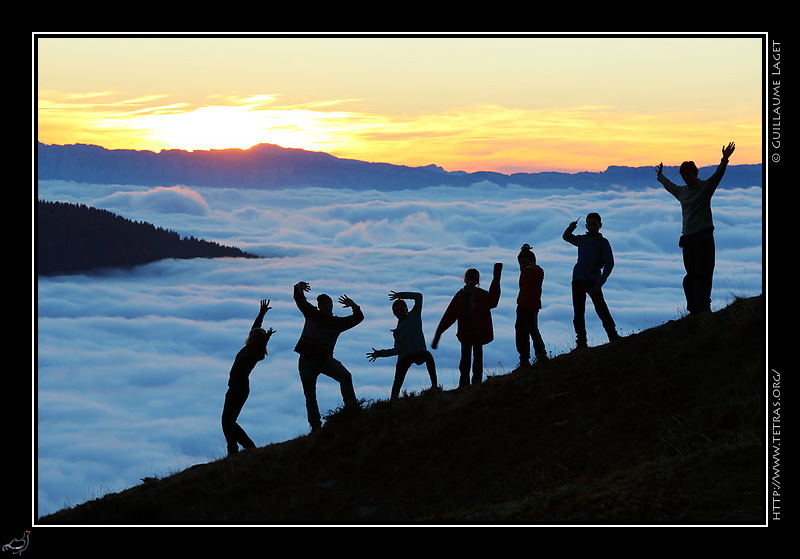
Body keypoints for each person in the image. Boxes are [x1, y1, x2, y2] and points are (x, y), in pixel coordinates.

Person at [655, 142, 736, 315]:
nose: (686, 177)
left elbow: (717, 176)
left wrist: (724, 159)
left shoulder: (705, 188)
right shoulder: (682, 191)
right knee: (690, 277)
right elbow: (670, 186)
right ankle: (694, 310)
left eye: (689, 174)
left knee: (704, 274)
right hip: (688, 240)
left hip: (704, 238)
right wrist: (660, 176)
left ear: (695, 173)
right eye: (683, 175)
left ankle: (704, 309)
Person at [293, 281, 364, 432]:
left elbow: (358, 318)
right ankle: (316, 425)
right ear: (319, 306)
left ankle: (352, 410)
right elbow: (300, 301)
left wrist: (354, 306)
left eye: (329, 304)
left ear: (332, 306)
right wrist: (298, 288)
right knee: (310, 395)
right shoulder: (312, 313)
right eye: (324, 304)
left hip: (324, 360)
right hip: (307, 360)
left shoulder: (337, 322)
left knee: (345, 376)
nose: (327, 306)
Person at [431, 263, 502, 388]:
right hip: (467, 334)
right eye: (469, 279)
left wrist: (496, 277)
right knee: (465, 360)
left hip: (476, 334)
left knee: (476, 360)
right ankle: (465, 384)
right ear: (466, 280)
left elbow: (493, 301)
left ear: (477, 281)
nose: (471, 281)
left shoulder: (480, 295)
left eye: (473, 279)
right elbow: (449, 315)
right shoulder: (461, 296)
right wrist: (438, 334)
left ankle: (475, 384)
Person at [222, 299, 275, 456]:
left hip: (240, 389)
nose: (251, 337)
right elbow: (255, 329)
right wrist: (262, 313)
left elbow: (260, 344)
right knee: (227, 422)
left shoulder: (255, 354)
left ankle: (248, 448)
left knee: (228, 422)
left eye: (255, 337)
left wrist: (267, 338)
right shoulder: (249, 347)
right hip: (234, 388)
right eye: (251, 336)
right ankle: (234, 451)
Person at [562, 213, 620, 349]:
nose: (592, 226)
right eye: (589, 224)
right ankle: (581, 342)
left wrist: (601, 280)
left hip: (593, 281)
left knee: (601, 310)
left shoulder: (603, 243)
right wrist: (571, 227)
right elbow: (566, 237)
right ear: (586, 226)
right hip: (578, 280)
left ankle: (613, 335)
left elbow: (610, 263)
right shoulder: (582, 239)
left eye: (594, 223)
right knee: (579, 313)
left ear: (600, 225)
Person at [367, 291, 438, 400]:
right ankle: (393, 399)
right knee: (398, 380)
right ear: (394, 313)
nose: (400, 312)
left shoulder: (414, 315)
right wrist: (380, 353)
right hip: (405, 357)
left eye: (402, 309)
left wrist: (401, 295)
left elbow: (419, 297)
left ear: (406, 309)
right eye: (397, 310)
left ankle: (434, 387)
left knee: (428, 356)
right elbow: (397, 350)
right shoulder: (397, 332)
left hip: (419, 353)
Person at [513, 244, 548, 371]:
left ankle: (540, 355)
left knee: (531, 330)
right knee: (523, 331)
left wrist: (527, 262)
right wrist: (524, 252)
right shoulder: (528, 269)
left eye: (524, 261)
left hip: (529, 305)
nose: (522, 264)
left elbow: (533, 269)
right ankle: (526, 359)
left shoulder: (534, 270)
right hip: (523, 304)